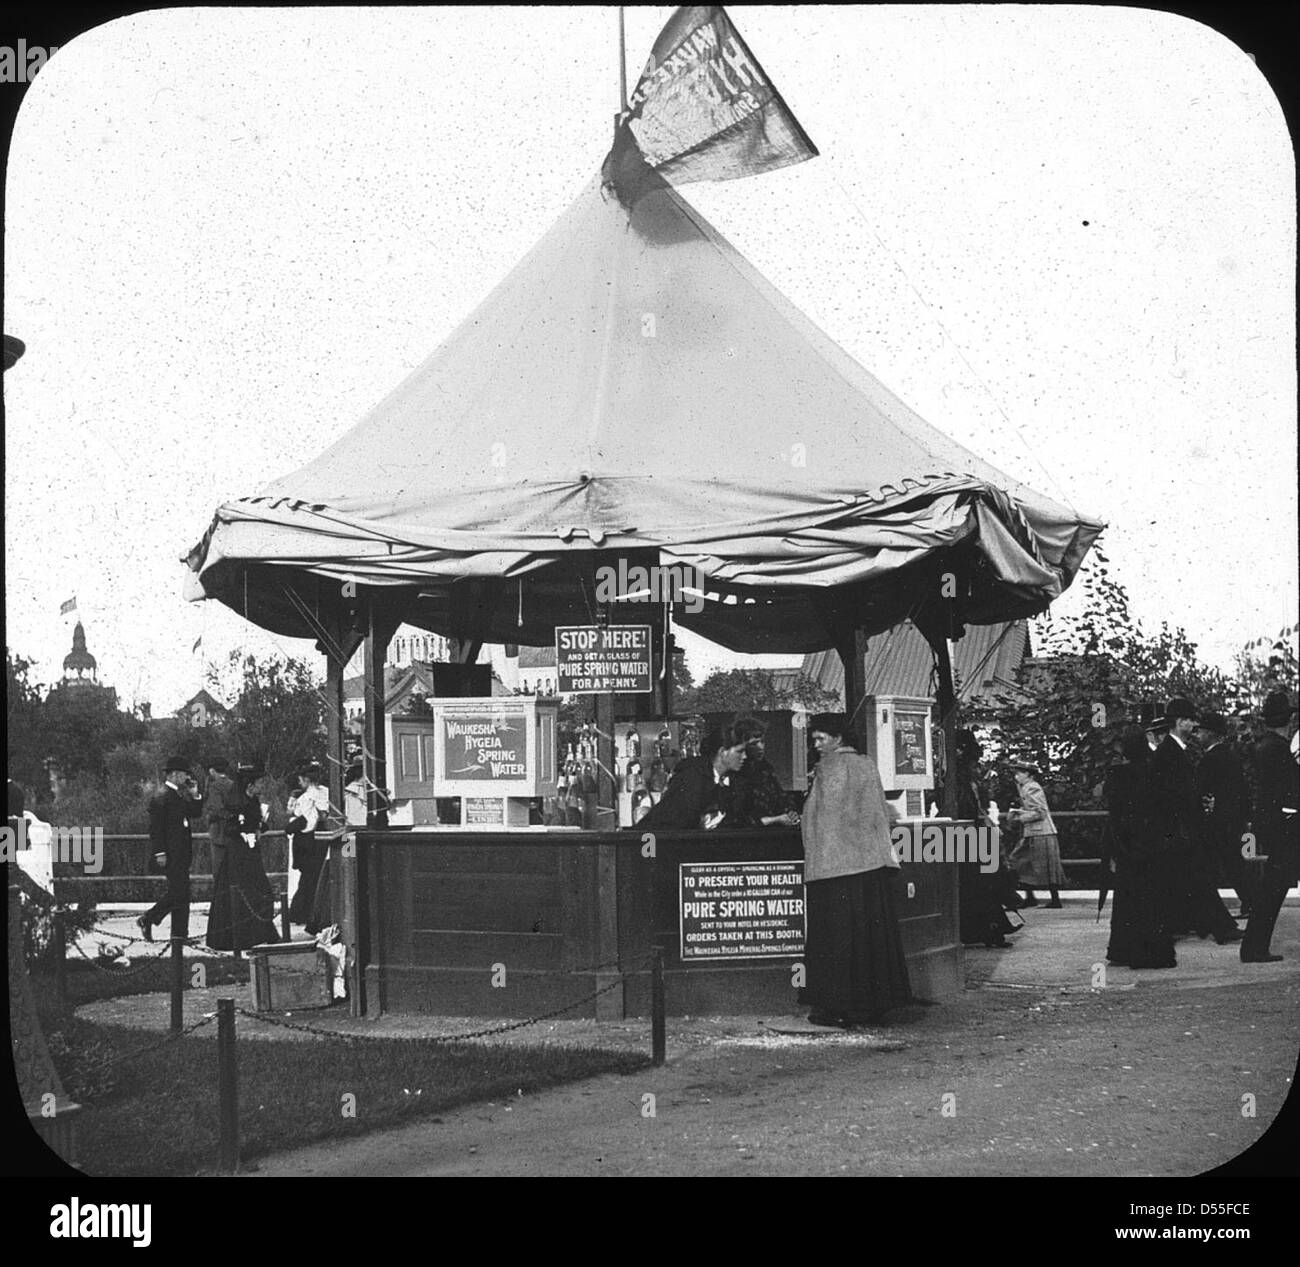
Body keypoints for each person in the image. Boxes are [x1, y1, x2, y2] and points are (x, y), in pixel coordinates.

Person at [799, 713, 912, 1027]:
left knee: (835, 940)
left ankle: (836, 1007)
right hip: (870, 865)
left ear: (838, 738)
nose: (816, 745)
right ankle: (873, 1006)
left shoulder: (828, 769)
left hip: (833, 869)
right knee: (870, 940)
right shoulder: (867, 765)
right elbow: (876, 814)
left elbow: (825, 820)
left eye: (821, 738)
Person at [1149, 698, 1241, 943]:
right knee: (1200, 878)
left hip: (1179, 829)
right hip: (1181, 829)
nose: (1193, 725)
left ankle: (1190, 925)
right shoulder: (1171, 752)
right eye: (1190, 720)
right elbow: (1176, 794)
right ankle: (1222, 929)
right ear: (1180, 722)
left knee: (1191, 879)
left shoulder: (1171, 750)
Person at [1104, 727, 1177, 968]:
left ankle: (1123, 950)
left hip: (1127, 846)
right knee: (1154, 900)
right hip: (1153, 845)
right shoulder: (1156, 772)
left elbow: (1114, 815)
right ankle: (1154, 952)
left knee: (1128, 900)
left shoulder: (1116, 776)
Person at [1240, 691, 1298, 963]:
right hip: (1284, 828)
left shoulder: (1266, 745)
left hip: (1273, 826)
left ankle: (1254, 946)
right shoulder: (1279, 749)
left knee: (1272, 887)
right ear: (1290, 719)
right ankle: (1254, 948)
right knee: (1273, 888)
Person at [953, 731, 1018, 947]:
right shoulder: (971, 777)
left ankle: (986, 930)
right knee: (985, 882)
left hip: (965, 833)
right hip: (976, 831)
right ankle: (994, 928)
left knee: (974, 883)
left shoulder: (956, 775)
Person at [206, 764, 280, 951]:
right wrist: (243, 832)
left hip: (251, 852)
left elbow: (257, 824)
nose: (262, 786)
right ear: (249, 785)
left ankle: (260, 933)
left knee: (260, 892)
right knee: (242, 894)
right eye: (259, 783)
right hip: (238, 855)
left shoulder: (253, 801)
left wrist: (260, 826)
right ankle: (242, 938)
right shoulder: (235, 802)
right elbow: (230, 828)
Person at [635, 725, 748, 830]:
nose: (744, 756)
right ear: (722, 752)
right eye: (740, 751)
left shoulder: (730, 780)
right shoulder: (692, 778)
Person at [139, 756, 202, 942]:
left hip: (181, 852)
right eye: (184, 774)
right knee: (179, 892)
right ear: (175, 774)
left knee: (182, 893)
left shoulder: (177, 795)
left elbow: (195, 813)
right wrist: (160, 852)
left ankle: (179, 934)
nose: (186, 777)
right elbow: (155, 828)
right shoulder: (162, 796)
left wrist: (195, 794)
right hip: (170, 853)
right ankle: (149, 918)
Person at [1196, 712, 1252, 918]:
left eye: (1201, 731)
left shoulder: (1211, 759)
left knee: (1220, 866)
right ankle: (1250, 902)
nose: (1198, 735)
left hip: (1218, 823)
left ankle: (1216, 913)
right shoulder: (1231, 756)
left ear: (1210, 734)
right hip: (1233, 821)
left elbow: (1200, 788)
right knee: (1234, 865)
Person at [1006, 761, 1066, 907]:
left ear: (1028, 774)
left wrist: (1019, 816)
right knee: (1024, 862)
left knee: (1027, 862)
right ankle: (1037, 897)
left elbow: (1040, 812)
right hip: (1036, 832)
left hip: (1040, 832)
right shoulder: (1026, 787)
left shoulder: (1031, 787)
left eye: (1019, 773)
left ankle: (1046, 898)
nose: (1016, 776)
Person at [729, 718, 800, 828]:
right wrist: (775, 820)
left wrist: (790, 812)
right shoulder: (734, 775)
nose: (761, 747)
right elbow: (738, 820)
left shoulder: (765, 769)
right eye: (754, 744)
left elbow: (782, 797)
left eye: (762, 741)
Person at [286, 767, 326, 927]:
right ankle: (307, 912)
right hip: (322, 840)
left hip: (308, 841)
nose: (299, 782)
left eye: (301, 779)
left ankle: (300, 913)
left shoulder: (306, 798)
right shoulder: (325, 793)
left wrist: (291, 826)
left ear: (306, 780)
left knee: (307, 879)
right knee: (314, 877)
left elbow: (308, 823)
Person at [202, 756, 237, 880]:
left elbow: (217, 808)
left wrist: (209, 817)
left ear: (212, 771)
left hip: (219, 833)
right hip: (234, 833)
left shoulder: (214, 786)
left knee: (219, 871)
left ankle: (219, 898)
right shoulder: (233, 784)